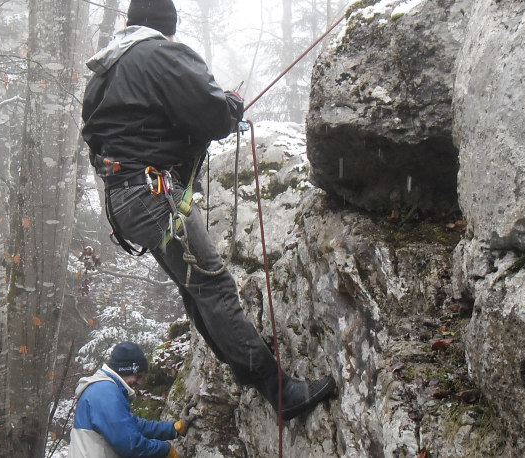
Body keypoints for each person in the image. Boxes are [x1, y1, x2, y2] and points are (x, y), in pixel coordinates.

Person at [81, 0, 335, 423]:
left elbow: (101, 140)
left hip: (126, 201)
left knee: (196, 289)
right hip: (153, 193)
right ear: (168, 27)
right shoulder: (160, 53)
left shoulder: (104, 73)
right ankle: (279, 389)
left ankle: (251, 370)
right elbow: (212, 113)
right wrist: (232, 105)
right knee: (213, 288)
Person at [70, 342, 191, 458]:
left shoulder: (101, 389)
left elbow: (133, 425)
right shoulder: (105, 393)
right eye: (137, 376)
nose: (140, 382)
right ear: (124, 370)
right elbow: (131, 445)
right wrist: (166, 451)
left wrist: (174, 428)